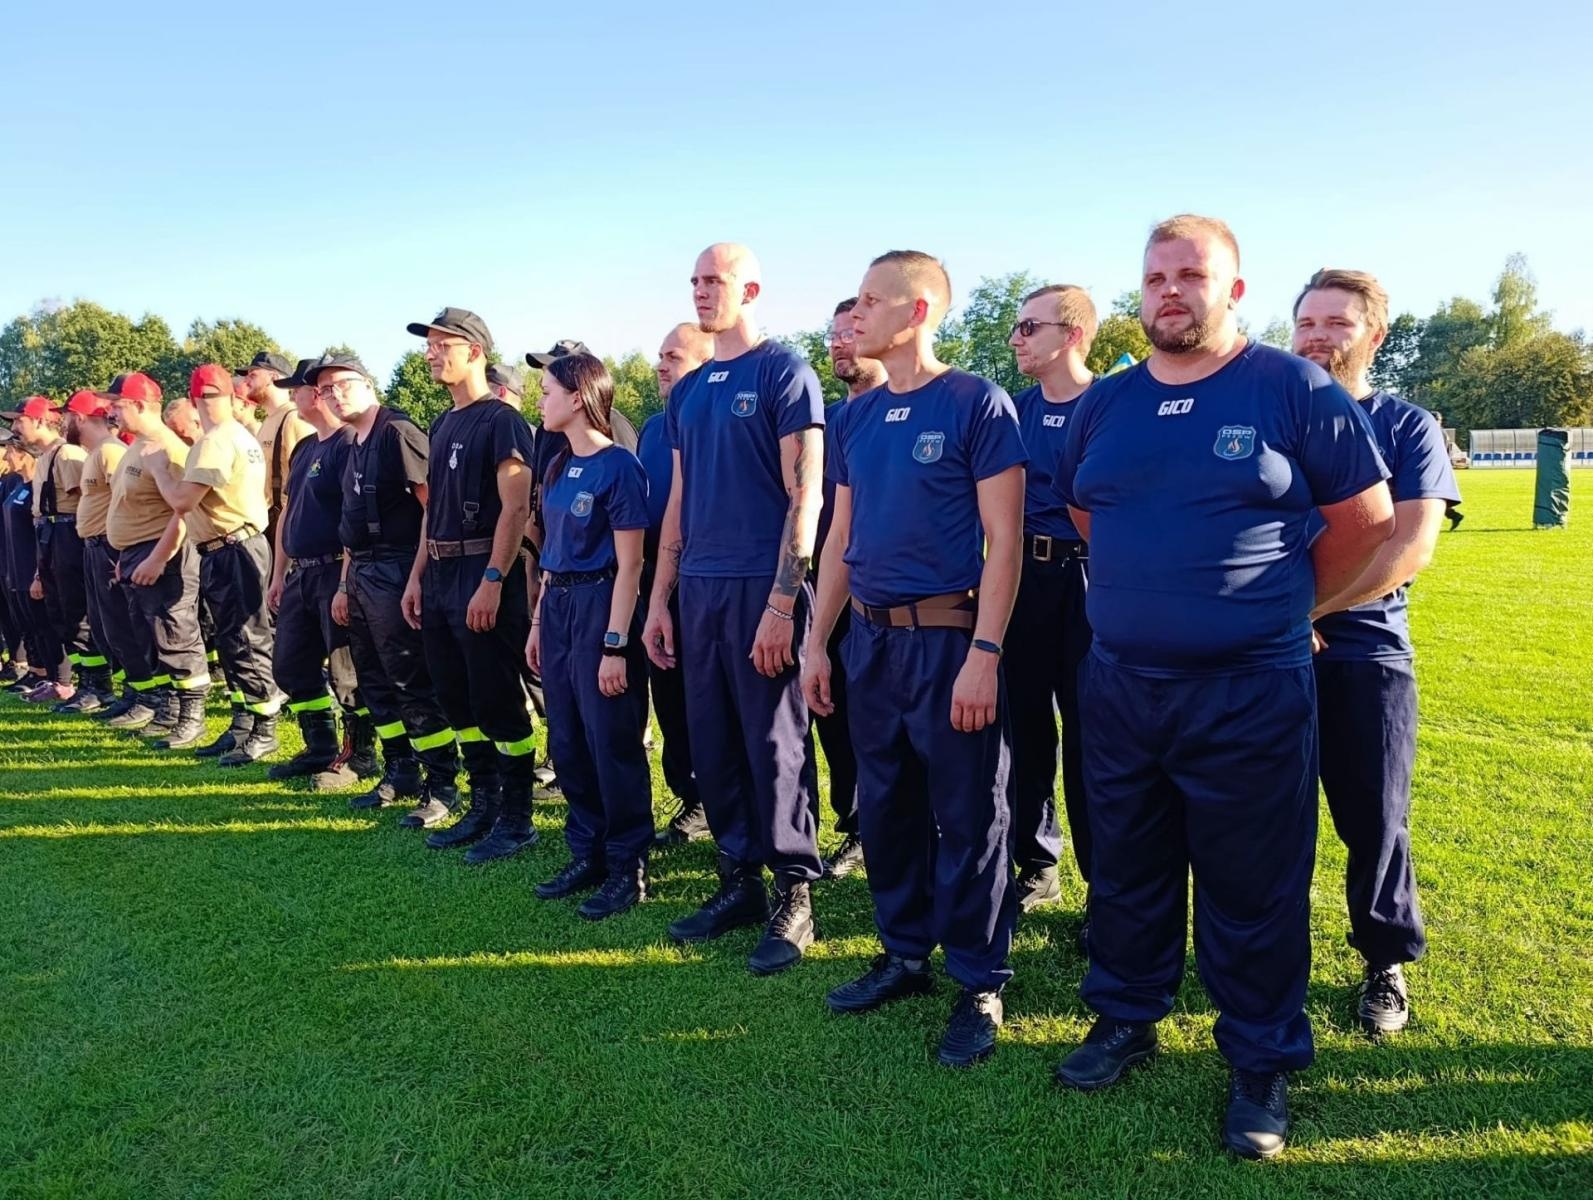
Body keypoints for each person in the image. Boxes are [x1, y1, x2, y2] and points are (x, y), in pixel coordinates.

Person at [1051, 215, 1394, 1160]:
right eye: (1155, 276)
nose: (1170, 291)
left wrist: (1279, 606)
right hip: (1122, 684)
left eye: (1191, 274)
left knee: (1254, 884)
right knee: (1127, 867)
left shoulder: (1292, 387)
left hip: (1250, 690)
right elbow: (1086, 511)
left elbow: (1366, 523)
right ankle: (1126, 1015)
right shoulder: (1105, 404)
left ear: (1233, 290)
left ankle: (1259, 1056)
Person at [803, 251, 1026, 1067]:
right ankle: (903, 952)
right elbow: (839, 537)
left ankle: (979, 980)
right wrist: (815, 642)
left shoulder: (975, 403)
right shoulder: (855, 417)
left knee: (968, 814)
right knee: (886, 804)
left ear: (918, 310)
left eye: (871, 301)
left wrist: (984, 652)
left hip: (947, 639)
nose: (854, 315)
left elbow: (1004, 541)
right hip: (869, 641)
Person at [643, 243, 826, 976]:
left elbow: (804, 495)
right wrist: (661, 597)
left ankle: (794, 892)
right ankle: (738, 879)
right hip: (699, 587)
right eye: (694, 280)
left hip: (760, 584)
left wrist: (782, 602)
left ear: (749, 290)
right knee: (711, 738)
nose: (701, 291)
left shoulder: (785, 372)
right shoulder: (688, 393)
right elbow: (679, 501)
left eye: (714, 280)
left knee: (775, 742)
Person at [1293, 268, 1460, 1037]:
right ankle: (1270, 961)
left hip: (1365, 654)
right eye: (1306, 322)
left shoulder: (1406, 425)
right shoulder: (1274, 418)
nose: (1316, 337)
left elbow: (1408, 547)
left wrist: (1308, 612)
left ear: (1374, 335)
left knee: (1373, 818)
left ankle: (1383, 960)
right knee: (1266, 821)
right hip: (1267, 656)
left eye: (1336, 323)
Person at [400, 308, 538, 863]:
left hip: (482, 571)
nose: (431, 353)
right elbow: (432, 511)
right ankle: (483, 803)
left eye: (442, 344)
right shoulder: (442, 424)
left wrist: (493, 580)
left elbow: (515, 508)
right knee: (457, 697)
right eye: (429, 345)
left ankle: (518, 816)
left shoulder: (502, 421)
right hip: (440, 575)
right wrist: (417, 577)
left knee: (496, 698)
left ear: (475, 351)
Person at [528, 353, 653, 918]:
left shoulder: (619, 466)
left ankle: (628, 865)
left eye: (547, 390)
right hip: (557, 607)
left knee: (610, 740)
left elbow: (631, 565)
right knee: (568, 737)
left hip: (601, 604)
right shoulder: (557, 464)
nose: (539, 400)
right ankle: (588, 851)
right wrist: (538, 623)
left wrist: (614, 645)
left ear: (577, 397)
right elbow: (551, 553)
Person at [326, 353, 462, 830]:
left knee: (411, 681)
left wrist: (417, 576)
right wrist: (344, 585)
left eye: (343, 384)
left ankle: (442, 783)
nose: (334, 395)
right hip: (362, 573)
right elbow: (350, 524)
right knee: (375, 681)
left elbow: (433, 510)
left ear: (368, 384)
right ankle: (400, 770)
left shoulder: (397, 433)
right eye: (326, 389)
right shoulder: (353, 443)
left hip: (397, 567)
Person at [1004, 286, 1099, 913]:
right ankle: (1037, 862)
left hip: (1093, 579)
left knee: (1095, 737)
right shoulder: (1012, 411)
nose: (1016, 338)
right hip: (1024, 579)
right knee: (1026, 729)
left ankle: (1104, 882)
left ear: (1072, 335)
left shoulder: (1112, 404)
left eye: (1029, 327)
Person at [162, 365, 279, 757]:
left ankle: (264, 726)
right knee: (235, 640)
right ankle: (244, 722)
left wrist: (162, 473)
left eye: (211, 396)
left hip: (232, 547)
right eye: (206, 396)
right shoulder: (239, 435)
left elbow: (182, 501)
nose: (208, 403)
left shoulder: (214, 441)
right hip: (234, 544)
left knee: (245, 639)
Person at [265, 358, 367, 790]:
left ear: (317, 394)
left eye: (298, 388)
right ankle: (320, 746)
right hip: (300, 575)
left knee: (347, 672)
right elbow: (288, 513)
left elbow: (353, 517)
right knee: (289, 665)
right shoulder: (305, 447)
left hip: (333, 569)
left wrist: (345, 581)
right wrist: (277, 575)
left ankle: (360, 755)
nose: (293, 396)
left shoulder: (348, 444)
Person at [810, 299, 882, 880]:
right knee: (833, 712)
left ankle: (902, 827)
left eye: (850, 332)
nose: (838, 343)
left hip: (892, 596)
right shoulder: (827, 422)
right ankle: (856, 823)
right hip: (827, 586)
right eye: (832, 334)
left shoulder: (909, 410)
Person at [640, 323, 714, 846]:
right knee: (670, 698)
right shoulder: (651, 428)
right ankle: (692, 797)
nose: (661, 366)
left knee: (712, 701)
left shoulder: (719, 424)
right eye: (660, 356)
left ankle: (723, 799)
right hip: (657, 582)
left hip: (710, 581)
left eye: (674, 357)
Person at [105, 371, 210, 741]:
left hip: (161, 555)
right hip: (136, 554)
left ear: (138, 405)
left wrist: (158, 558)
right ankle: (168, 710)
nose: (111, 412)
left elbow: (184, 512)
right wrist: (125, 554)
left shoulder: (168, 448)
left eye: (117, 405)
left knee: (175, 634)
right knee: (150, 636)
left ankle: (192, 716)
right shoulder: (139, 445)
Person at [7, 395, 95, 707]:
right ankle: (72, 683)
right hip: (50, 536)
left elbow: (86, 501)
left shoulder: (67, 453)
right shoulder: (46, 456)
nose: (15, 428)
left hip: (68, 535)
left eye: (20, 420)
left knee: (77, 613)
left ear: (41, 420)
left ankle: (95, 684)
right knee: (61, 616)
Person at [72, 391, 140, 720]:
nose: (64, 422)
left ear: (81, 417)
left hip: (109, 548)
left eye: (68, 416)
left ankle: (144, 693)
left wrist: (122, 550)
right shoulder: (96, 452)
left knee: (120, 624)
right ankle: (131, 691)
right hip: (95, 547)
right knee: (104, 626)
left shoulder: (111, 451)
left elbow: (124, 499)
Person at [1, 430, 67, 698]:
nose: (7, 457)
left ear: (25, 455)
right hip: (14, 569)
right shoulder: (18, 486)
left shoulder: (36, 491)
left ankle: (60, 679)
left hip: (32, 569)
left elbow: (41, 534)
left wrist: (39, 573)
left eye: (10, 452)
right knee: (29, 625)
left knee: (45, 625)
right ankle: (38, 672)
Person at [247, 351, 310, 551]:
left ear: (273, 377)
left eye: (253, 375)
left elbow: (308, 478)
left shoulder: (294, 419)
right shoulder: (268, 421)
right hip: (267, 523)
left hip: (289, 525)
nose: (247, 381)